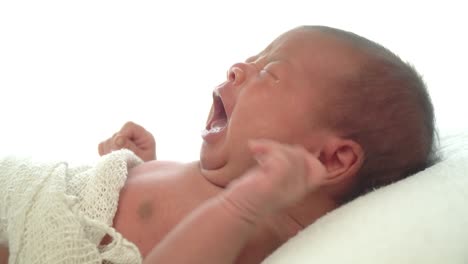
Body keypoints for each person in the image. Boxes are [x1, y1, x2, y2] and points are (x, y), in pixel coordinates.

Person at [0, 25, 437, 264]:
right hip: (33, 193)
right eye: (253, 57)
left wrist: (243, 206)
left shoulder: (262, 225)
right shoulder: (225, 186)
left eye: (270, 71)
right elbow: (136, 213)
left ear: (330, 157)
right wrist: (134, 164)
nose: (237, 68)